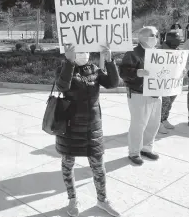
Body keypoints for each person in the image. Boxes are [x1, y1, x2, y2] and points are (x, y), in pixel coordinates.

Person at [56, 44, 120, 217]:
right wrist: (69, 62)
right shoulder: (64, 67)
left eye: (85, 51)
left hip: (93, 125)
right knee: (68, 164)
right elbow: (62, 87)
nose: (83, 54)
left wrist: (110, 61)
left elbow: (114, 83)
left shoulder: (94, 69)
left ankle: (102, 199)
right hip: (70, 126)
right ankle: (72, 199)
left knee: (98, 165)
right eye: (79, 51)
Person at [119, 27, 161, 165]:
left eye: (156, 35)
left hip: (156, 93)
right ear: (142, 37)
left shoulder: (157, 52)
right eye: (152, 35)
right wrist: (137, 72)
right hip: (139, 93)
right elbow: (124, 73)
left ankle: (147, 148)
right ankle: (134, 152)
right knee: (139, 125)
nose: (156, 37)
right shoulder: (132, 53)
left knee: (153, 124)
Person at [158, 32, 183, 134]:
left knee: (170, 102)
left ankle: (164, 119)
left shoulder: (178, 51)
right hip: (163, 81)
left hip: (174, 82)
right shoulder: (159, 50)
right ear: (169, 39)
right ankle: (158, 122)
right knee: (164, 102)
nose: (179, 41)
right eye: (177, 39)